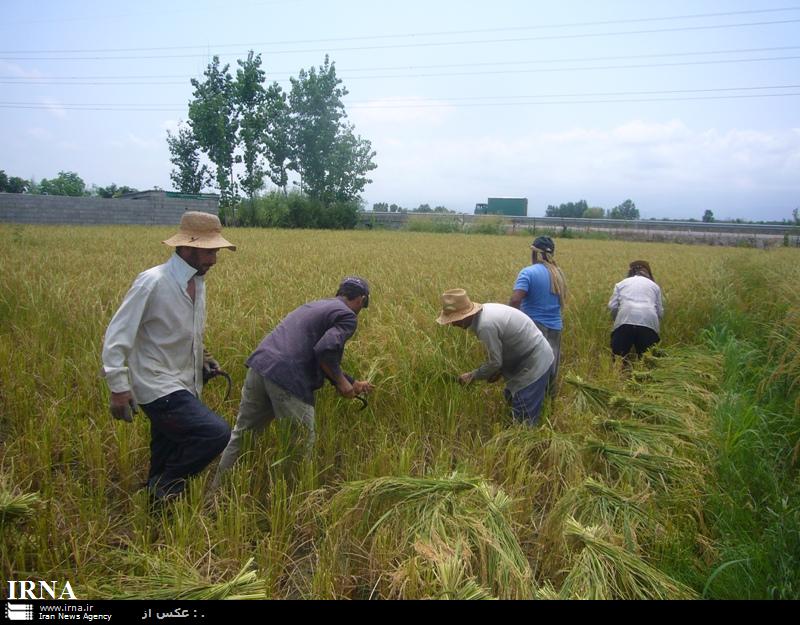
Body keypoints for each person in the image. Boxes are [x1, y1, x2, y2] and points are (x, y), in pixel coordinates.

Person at [101, 211, 235, 502]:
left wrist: (203, 358)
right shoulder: (153, 282)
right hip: (155, 383)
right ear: (186, 246)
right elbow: (117, 335)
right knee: (215, 433)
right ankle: (168, 484)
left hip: (184, 382)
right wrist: (118, 386)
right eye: (208, 251)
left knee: (166, 450)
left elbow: (188, 333)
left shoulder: (198, 284)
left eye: (215, 252)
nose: (213, 260)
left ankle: (155, 509)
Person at [213, 277, 374, 486]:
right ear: (361, 300)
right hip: (289, 377)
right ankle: (293, 502)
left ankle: (215, 494)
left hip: (260, 366)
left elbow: (314, 352)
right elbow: (325, 350)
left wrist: (349, 381)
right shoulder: (347, 316)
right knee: (299, 446)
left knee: (242, 435)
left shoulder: (316, 305)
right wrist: (343, 385)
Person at [437, 288, 554, 426]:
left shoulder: (485, 325)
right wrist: (497, 370)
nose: (453, 324)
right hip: (527, 358)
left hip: (534, 361)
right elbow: (506, 343)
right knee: (511, 397)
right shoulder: (484, 313)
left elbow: (495, 362)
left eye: (454, 319)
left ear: (464, 316)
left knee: (524, 416)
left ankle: (528, 443)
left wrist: (472, 376)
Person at [509, 235, 566, 393]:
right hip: (555, 327)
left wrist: (512, 320)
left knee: (531, 368)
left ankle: (529, 403)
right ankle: (549, 401)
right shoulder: (558, 274)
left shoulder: (528, 272)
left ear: (534, 253)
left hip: (533, 326)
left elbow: (515, 299)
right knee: (551, 366)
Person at [608, 260, 664, 364]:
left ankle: (618, 378)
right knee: (647, 361)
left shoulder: (620, 284)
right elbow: (660, 312)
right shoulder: (654, 286)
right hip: (649, 322)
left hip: (624, 320)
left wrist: (617, 320)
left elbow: (612, 306)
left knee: (618, 359)